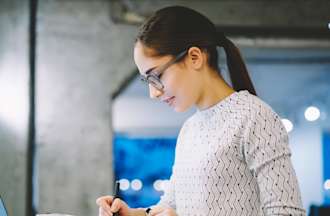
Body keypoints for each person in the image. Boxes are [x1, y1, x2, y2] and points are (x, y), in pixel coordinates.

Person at [96, 5, 306, 216]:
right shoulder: (190, 129)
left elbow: (288, 213)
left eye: (156, 76)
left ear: (195, 57)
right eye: (147, 81)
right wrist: (131, 214)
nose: (154, 93)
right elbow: (171, 206)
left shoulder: (254, 117)